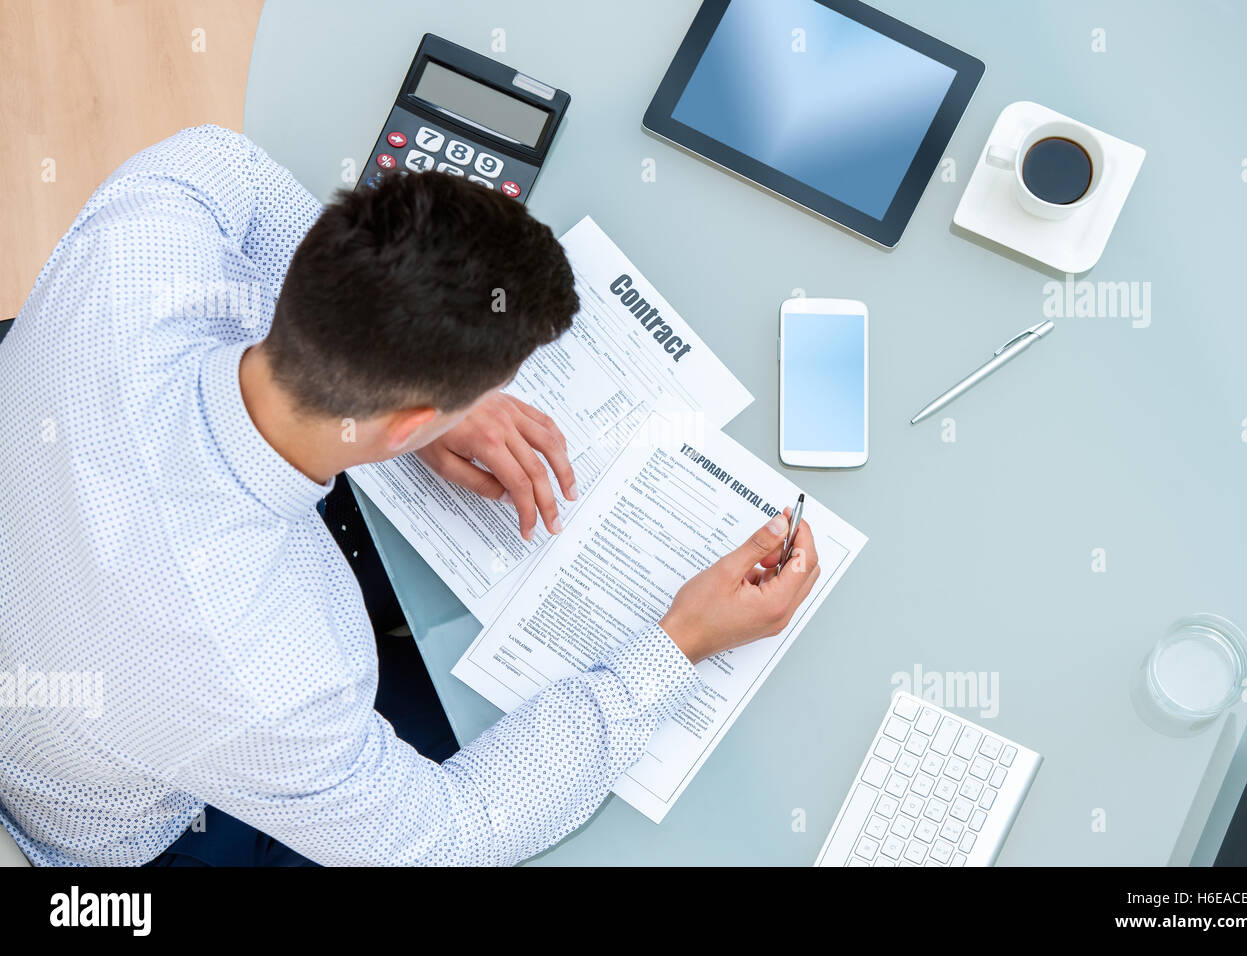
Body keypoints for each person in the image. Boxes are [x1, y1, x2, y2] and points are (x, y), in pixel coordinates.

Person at [0, 126, 820, 866]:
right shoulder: (283, 681)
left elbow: (235, 170)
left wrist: (406, 385)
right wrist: (681, 643)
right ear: (412, 425)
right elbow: (453, 833)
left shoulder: (146, 237)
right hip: (131, 824)